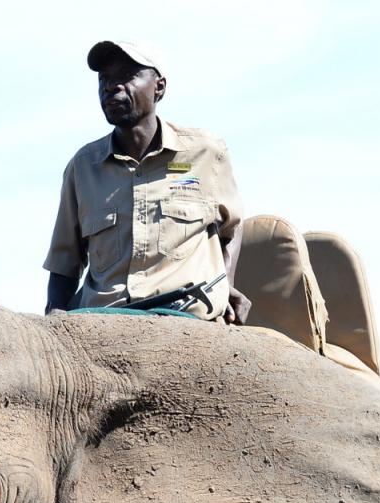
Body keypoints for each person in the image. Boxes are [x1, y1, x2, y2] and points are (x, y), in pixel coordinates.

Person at [44, 40, 249, 323]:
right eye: (104, 78)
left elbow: (233, 229)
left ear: (159, 86)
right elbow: (63, 265)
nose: (110, 86)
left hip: (186, 315)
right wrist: (53, 314)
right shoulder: (83, 167)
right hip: (103, 319)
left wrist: (224, 285)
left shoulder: (206, 152)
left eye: (126, 75)